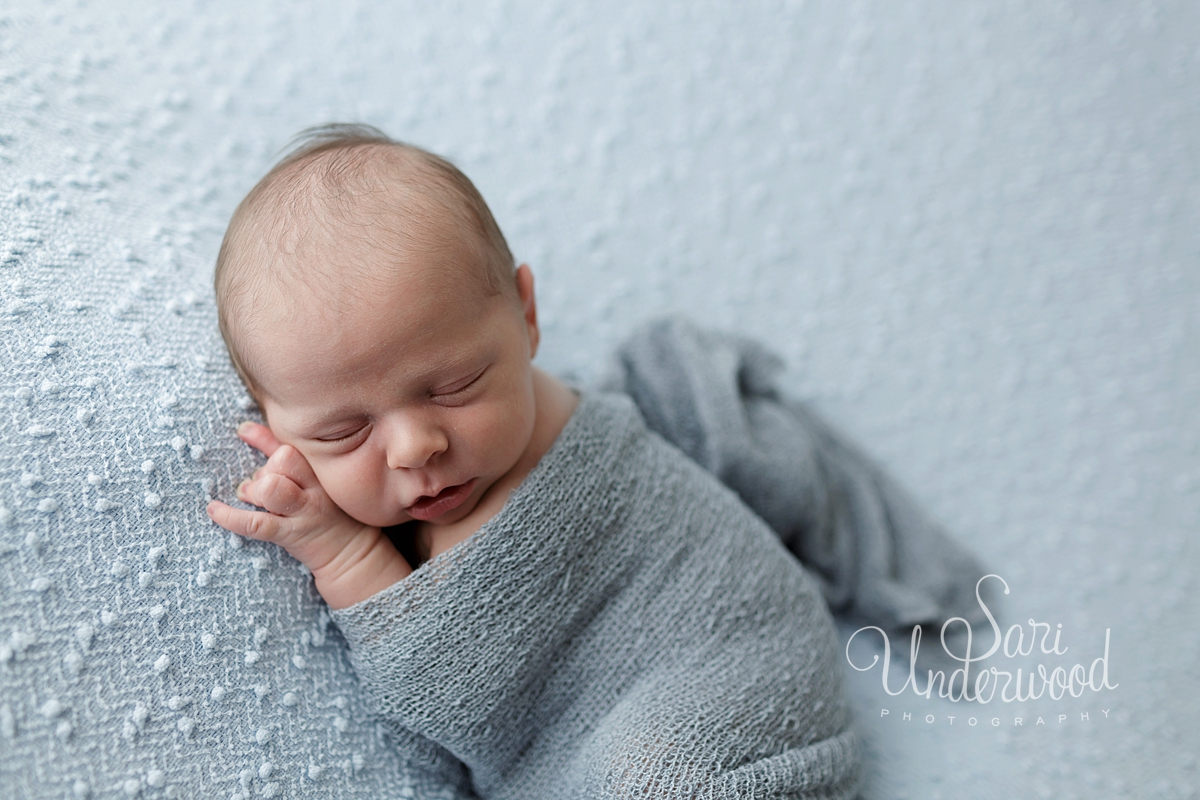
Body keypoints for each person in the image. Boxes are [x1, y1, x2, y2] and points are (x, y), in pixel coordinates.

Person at [207, 123, 859, 799]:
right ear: (272, 418)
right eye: (342, 432)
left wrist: (348, 552)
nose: (413, 448)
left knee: (658, 775)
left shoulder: (563, 435)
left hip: (740, 655)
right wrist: (332, 544)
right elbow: (436, 676)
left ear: (526, 316)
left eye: (453, 386)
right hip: (612, 733)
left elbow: (436, 665)